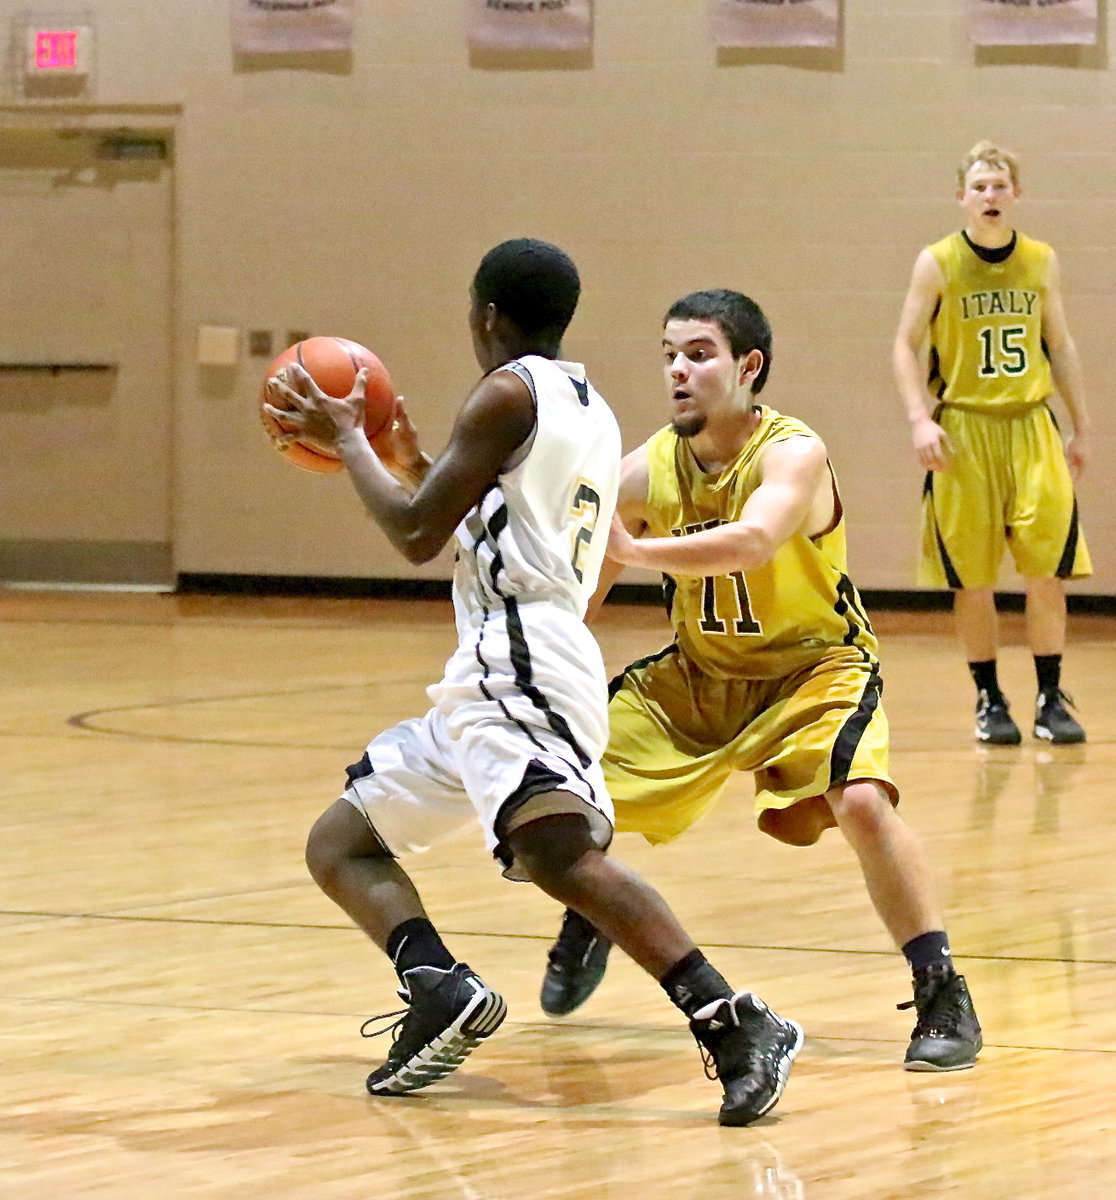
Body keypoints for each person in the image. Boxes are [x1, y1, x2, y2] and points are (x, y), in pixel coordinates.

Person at [263, 239, 802, 1127]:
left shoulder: (508, 391)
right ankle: (437, 988)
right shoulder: (579, 401)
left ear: (484, 316)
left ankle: (733, 1022)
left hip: (519, 652)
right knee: (342, 843)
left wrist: (352, 441)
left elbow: (414, 534)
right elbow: (470, 510)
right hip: (496, 662)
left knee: (560, 859)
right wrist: (403, 454)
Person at [539, 288, 982, 1073]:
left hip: (812, 669)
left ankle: (941, 988)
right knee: (558, 795)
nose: (679, 369)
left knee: (862, 804)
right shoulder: (647, 466)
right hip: (697, 676)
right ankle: (598, 910)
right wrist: (557, 643)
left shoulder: (793, 452)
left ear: (749, 367)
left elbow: (753, 539)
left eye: (699, 354)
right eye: (670, 354)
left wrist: (637, 551)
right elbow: (590, 570)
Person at [893, 140, 1092, 746]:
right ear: (962, 197)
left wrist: (1082, 426)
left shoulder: (1040, 260)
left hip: (1032, 426)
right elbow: (904, 344)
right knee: (972, 579)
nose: (990, 196)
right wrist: (919, 419)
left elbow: (1059, 344)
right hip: (963, 430)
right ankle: (988, 698)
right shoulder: (938, 262)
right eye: (979, 187)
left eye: (999, 186)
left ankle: (1050, 697)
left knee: (1046, 571)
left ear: (1016, 194)